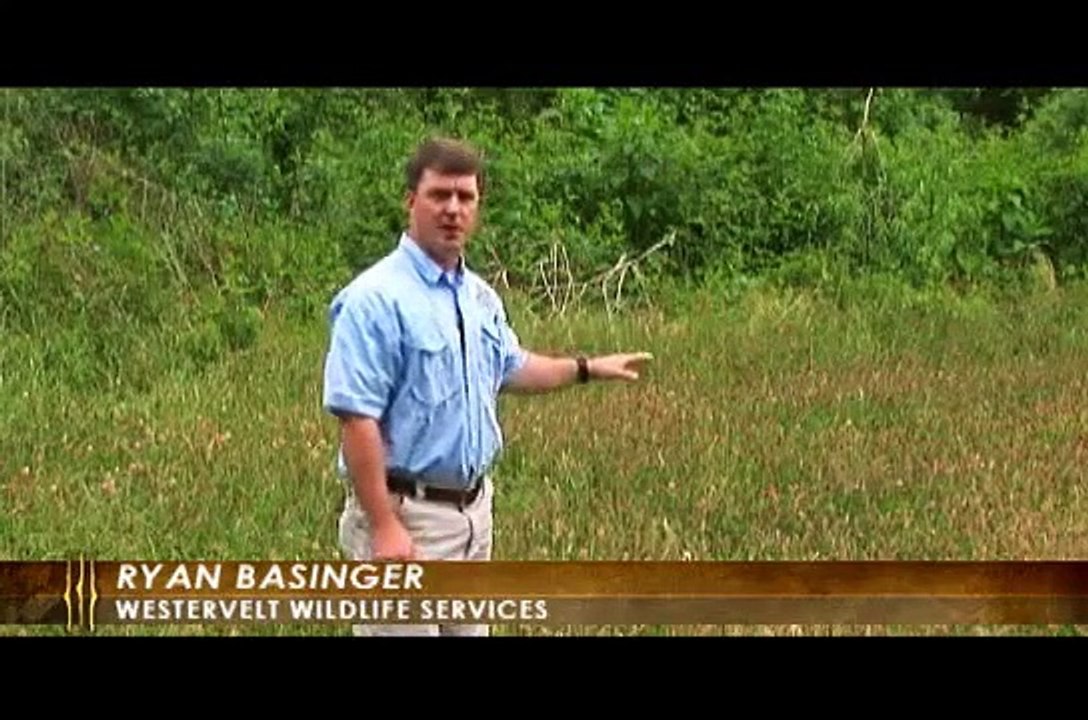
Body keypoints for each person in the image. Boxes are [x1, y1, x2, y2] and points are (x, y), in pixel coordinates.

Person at [321, 136, 652, 636]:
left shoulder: (479, 298)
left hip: (473, 515)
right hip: (407, 518)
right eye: (439, 195)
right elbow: (356, 417)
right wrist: (385, 527)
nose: (453, 209)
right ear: (411, 200)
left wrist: (587, 368)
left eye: (466, 197)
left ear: (477, 207)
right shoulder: (374, 300)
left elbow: (512, 367)